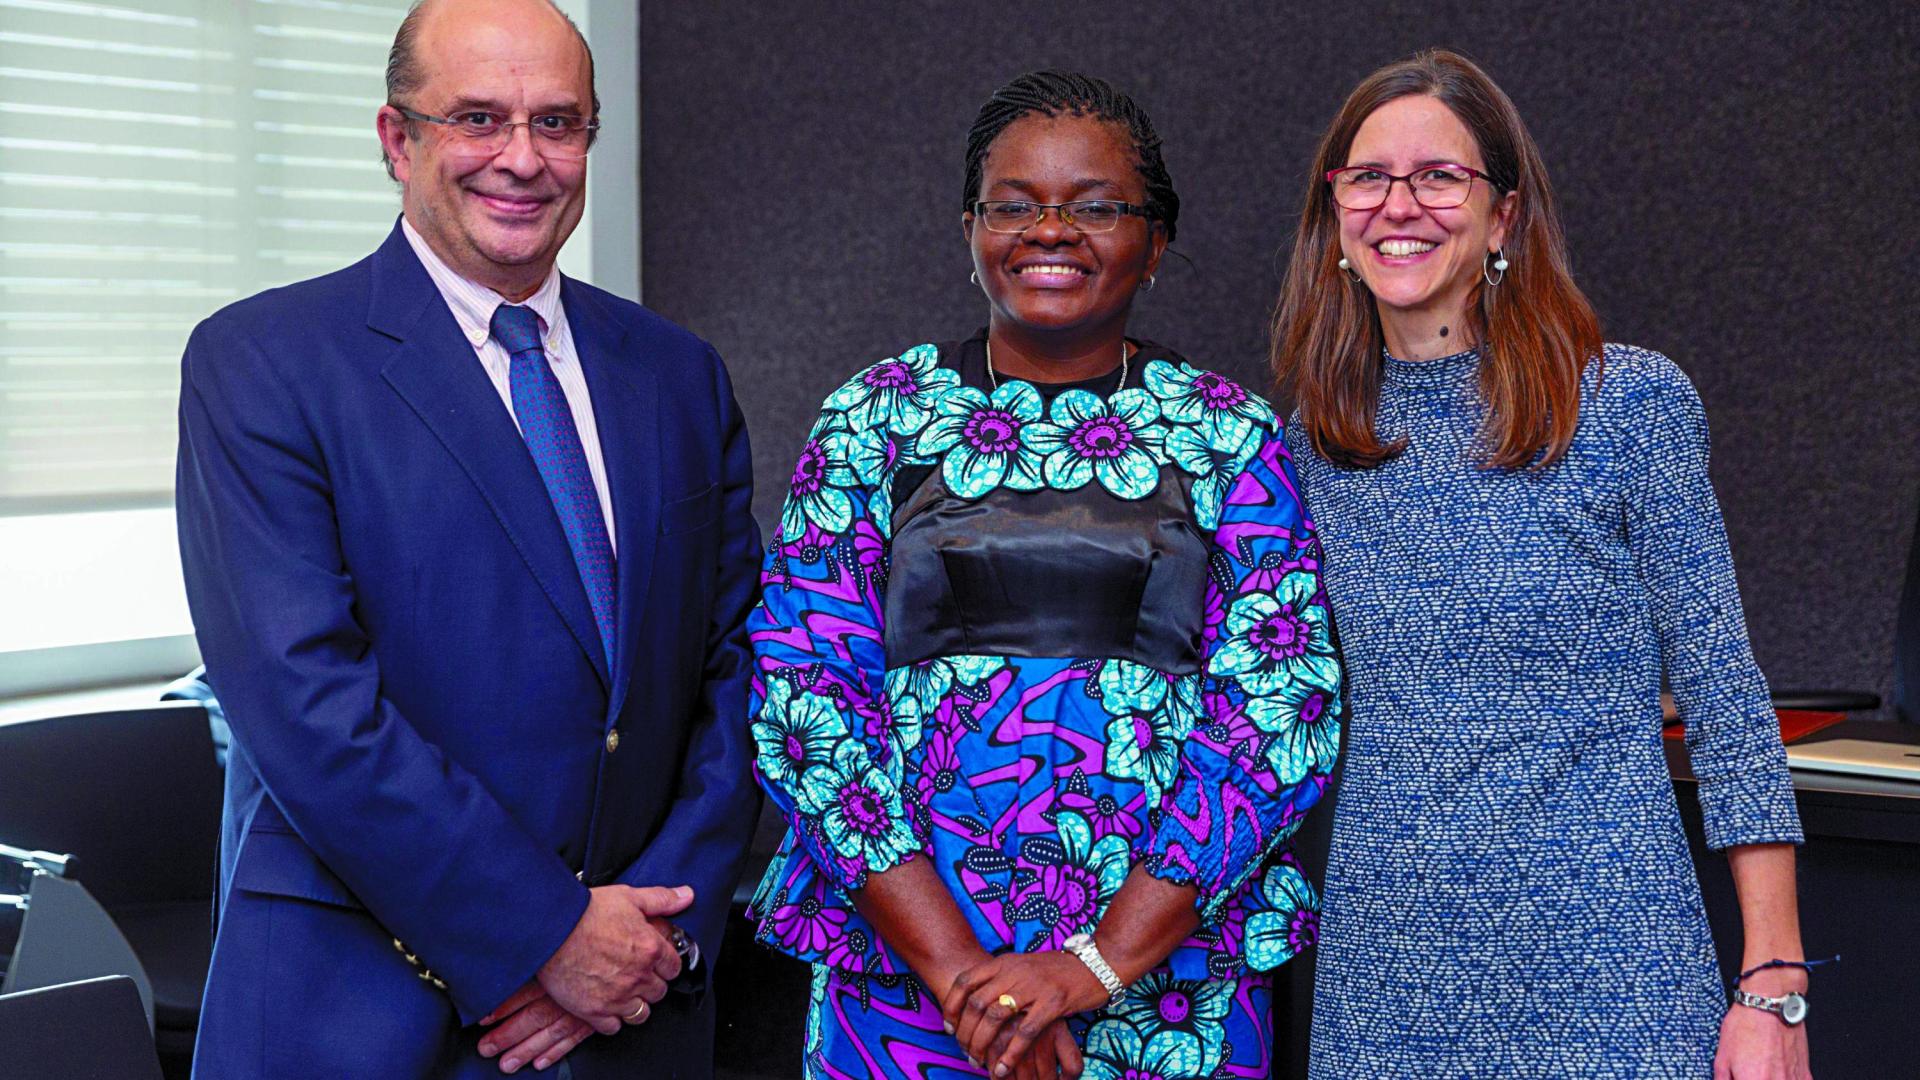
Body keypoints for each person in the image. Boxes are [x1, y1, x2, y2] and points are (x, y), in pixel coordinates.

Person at [174, 1, 760, 1075]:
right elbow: (310, 710)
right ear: (398, 141)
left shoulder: (678, 375)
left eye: (558, 123)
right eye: (477, 119)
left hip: (630, 1011)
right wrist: (548, 935)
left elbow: (740, 671)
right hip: (358, 1008)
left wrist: (653, 937)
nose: (523, 160)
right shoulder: (263, 362)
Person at [746, 71, 1340, 1080]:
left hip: (1166, 974)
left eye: (1097, 206)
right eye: (1014, 205)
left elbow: (1278, 712)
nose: (1049, 232)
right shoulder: (875, 417)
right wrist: (966, 977)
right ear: (971, 228)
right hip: (908, 972)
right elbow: (805, 696)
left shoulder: (1229, 435)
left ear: (1156, 241)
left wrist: (1092, 968)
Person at [1271, 49, 1814, 1079]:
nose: (1401, 204)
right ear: (1334, 213)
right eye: (1369, 177)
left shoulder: (1624, 405)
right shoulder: (1315, 440)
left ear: (1505, 217)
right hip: (1389, 972)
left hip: (1610, 960)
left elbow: (1727, 699)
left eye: (1441, 176)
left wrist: (1774, 984)